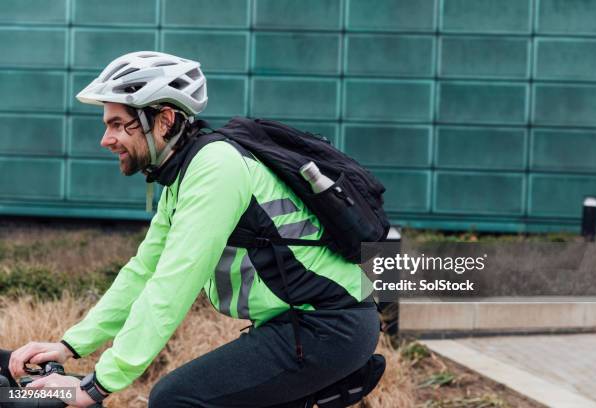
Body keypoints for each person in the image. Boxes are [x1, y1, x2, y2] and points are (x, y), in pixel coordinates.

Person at [3, 51, 380, 407]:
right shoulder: (184, 174)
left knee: (175, 399)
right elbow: (143, 271)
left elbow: (175, 282)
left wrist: (96, 385)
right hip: (300, 324)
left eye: (118, 124)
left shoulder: (216, 168)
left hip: (328, 327)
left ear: (164, 120)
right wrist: (70, 346)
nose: (106, 139)